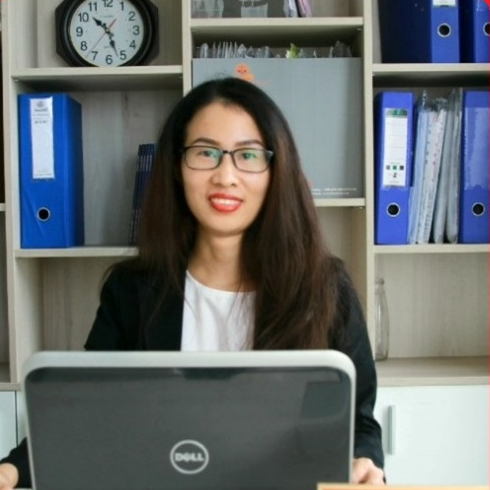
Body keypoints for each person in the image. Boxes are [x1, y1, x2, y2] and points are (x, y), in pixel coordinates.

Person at [0, 77, 385, 488]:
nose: (226, 175)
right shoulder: (132, 289)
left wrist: (365, 462)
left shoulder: (324, 287)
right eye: (205, 152)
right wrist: (14, 467)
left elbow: (359, 423)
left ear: (276, 170)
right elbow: (84, 408)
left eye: (248, 155)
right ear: (176, 167)